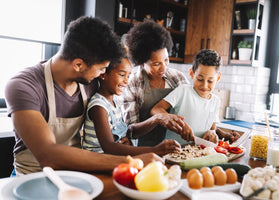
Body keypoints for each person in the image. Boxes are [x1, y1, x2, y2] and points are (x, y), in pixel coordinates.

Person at [4, 16, 161, 176]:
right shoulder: (23, 86)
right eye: (102, 69)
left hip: (74, 174)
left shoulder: (91, 84)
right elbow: (47, 155)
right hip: (31, 176)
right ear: (78, 64)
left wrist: (122, 138)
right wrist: (131, 160)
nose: (102, 74)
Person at [82, 57, 181, 156]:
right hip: (98, 161)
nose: (126, 81)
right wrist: (154, 150)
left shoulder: (115, 101)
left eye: (128, 76)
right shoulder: (99, 107)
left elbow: (129, 132)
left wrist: (156, 119)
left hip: (113, 158)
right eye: (122, 75)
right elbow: (109, 147)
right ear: (103, 74)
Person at [122, 20, 189, 147]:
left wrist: (214, 130)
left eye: (166, 60)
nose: (163, 68)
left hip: (178, 147)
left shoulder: (177, 78)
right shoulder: (132, 83)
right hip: (145, 149)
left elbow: (193, 109)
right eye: (156, 64)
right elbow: (130, 131)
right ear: (142, 61)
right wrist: (157, 119)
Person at [151, 49, 222, 145]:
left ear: (218, 78)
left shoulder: (215, 101)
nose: (204, 85)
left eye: (210, 81)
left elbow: (212, 126)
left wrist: (212, 132)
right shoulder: (183, 91)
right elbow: (156, 109)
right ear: (192, 73)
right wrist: (177, 122)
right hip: (172, 151)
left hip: (198, 154)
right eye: (200, 79)